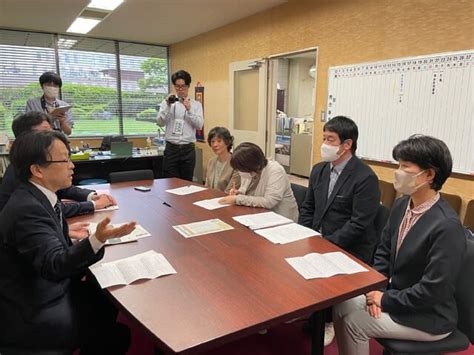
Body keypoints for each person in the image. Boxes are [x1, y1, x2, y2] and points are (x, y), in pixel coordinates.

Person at [0, 130, 136, 353]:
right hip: (34, 310)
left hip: (43, 289)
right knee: (117, 334)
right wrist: (97, 239)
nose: (72, 165)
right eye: (64, 159)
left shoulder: (38, 196)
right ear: (37, 170)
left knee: (105, 299)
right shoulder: (27, 209)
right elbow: (55, 265)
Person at [333, 134, 466, 355]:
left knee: (355, 323)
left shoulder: (447, 226)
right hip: (397, 296)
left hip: (429, 316)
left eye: (405, 166)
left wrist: (385, 299)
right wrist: (376, 289)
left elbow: (434, 290)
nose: (398, 172)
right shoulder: (403, 204)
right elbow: (383, 252)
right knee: (342, 303)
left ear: (430, 174)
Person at [0, 112, 116, 219]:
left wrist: (91, 196)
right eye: (45, 133)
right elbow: (50, 209)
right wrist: (93, 205)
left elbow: (64, 190)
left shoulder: (35, 164)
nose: (52, 137)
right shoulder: (21, 172)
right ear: (26, 139)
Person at [299, 116, 380, 264]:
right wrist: (306, 235)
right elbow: (307, 207)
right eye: (324, 138)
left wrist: (326, 243)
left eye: (330, 139)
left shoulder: (365, 177)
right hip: (317, 241)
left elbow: (358, 223)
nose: (324, 144)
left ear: (347, 144)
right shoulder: (319, 170)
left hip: (349, 249)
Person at [219, 142, 298, 222]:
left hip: (280, 219)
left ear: (250, 166)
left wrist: (237, 199)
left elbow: (269, 202)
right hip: (258, 215)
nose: (239, 172)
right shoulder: (250, 172)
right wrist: (238, 193)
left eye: (240, 169)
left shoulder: (275, 170)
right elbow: (248, 194)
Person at [157, 70, 204, 181]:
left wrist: (189, 109)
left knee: (186, 183)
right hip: (171, 149)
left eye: (183, 86)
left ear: (188, 86)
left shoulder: (196, 105)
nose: (180, 89)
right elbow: (160, 122)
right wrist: (168, 106)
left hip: (188, 150)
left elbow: (199, 125)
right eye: (177, 86)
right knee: (170, 182)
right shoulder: (166, 103)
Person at [204, 127, 240, 193]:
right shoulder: (211, 161)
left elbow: (229, 191)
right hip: (209, 199)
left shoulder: (235, 164)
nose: (215, 145)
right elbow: (207, 186)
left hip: (226, 200)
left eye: (219, 141)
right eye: (212, 141)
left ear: (227, 142)